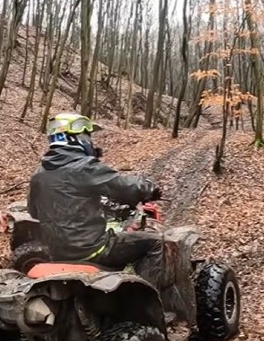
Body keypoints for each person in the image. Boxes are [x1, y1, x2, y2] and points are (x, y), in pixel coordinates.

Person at [27, 112, 165, 289]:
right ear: (76, 138)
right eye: (87, 135)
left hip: (57, 252)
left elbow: (34, 211)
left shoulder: (39, 174)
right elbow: (123, 186)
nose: (89, 141)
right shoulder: (84, 167)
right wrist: (149, 188)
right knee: (154, 242)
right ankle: (149, 295)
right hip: (92, 250)